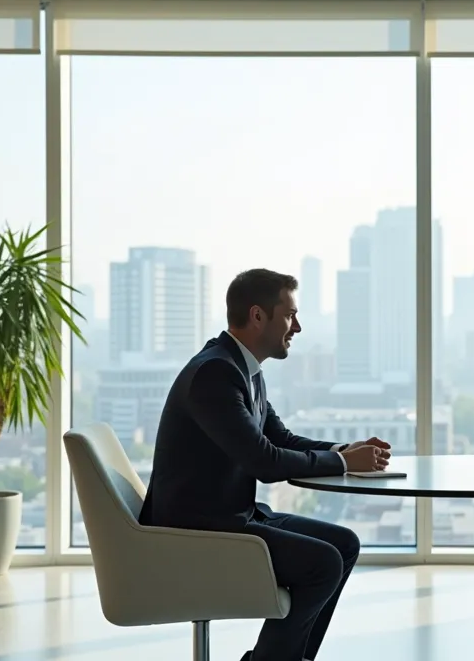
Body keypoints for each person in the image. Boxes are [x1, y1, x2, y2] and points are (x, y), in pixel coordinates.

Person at [139, 268, 391, 661]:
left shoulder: (243, 370)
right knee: (323, 563)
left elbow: (282, 440)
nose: (298, 327)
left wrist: (346, 448)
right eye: (290, 315)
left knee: (344, 544)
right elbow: (264, 461)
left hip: (231, 515)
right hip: (197, 530)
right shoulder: (215, 374)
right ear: (258, 316)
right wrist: (342, 462)